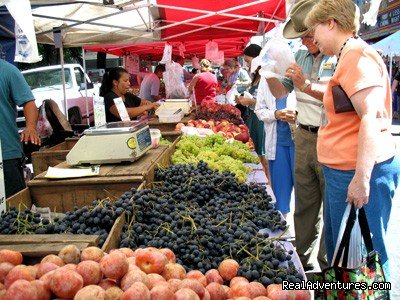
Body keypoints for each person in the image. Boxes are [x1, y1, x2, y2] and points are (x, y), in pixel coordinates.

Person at [305, 0, 399, 278]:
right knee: (346, 258)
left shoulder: (357, 56)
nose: (314, 37)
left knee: (368, 263)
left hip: (355, 171)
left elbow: (370, 116)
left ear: (331, 23)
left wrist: (362, 178)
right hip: (343, 171)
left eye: (315, 30)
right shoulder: (348, 55)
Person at [265, 0, 336, 271]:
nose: (306, 41)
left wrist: (304, 83)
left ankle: (327, 267)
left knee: (331, 205)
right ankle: (302, 262)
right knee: (305, 203)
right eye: (303, 37)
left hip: (330, 136)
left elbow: (336, 96)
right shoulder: (301, 56)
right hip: (304, 137)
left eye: (308, 35)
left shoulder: (339, 55)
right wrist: (269, 72)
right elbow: (281, 92)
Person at [0, 59, 41, 198]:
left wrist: (30, 127)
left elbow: (29, 103)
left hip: (6, 154)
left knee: (14, 208)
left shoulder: (8, 71)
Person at [235, 44, 272, 185]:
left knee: (264, 156)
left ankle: (269, 184)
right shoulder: (256, 76)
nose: (246, 64)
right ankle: (263, 182)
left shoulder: (266, 77)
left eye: (248, 60)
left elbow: (268, 104)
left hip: (261, 121)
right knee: (257, 154)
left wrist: (250, 101)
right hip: (252, 119)